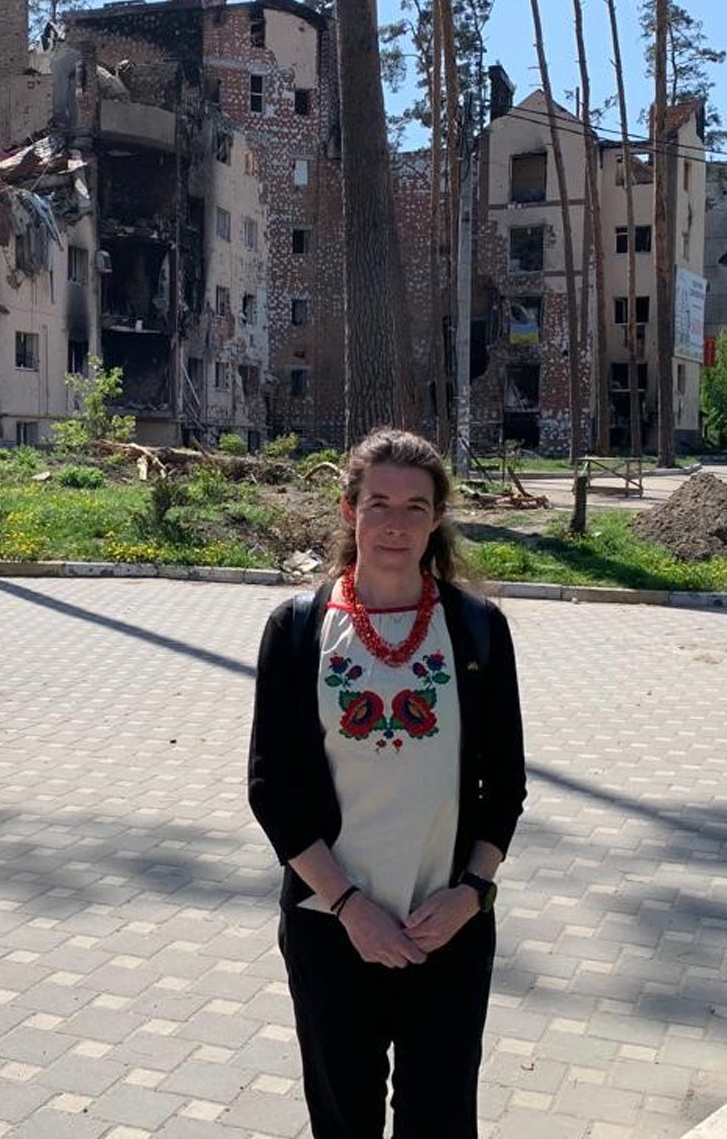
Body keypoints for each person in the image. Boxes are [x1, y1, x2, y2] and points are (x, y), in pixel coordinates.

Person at [248, 428, 527, 1138]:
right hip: (332, 929)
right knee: (345, 1122)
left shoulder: (474, 630)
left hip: (448, 931)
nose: (395, 524)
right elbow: (270, 788)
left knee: (439, 1122)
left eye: (414, 506)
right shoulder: (301, 629)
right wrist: (347, 906)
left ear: (438, 518)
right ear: (348, 511)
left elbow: (507, 783)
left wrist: (472, 893)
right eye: (378, 503)